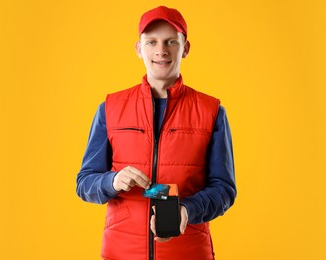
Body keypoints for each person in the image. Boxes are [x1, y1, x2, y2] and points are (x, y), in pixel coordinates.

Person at [76, 6, 236, 260]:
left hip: (188, 252)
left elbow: (224, 189)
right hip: (121, 253)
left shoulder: (212, 111)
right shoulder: (110, 108)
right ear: (139, 49)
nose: (161, 50)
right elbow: (84, 182)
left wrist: (187, 210)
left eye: (171, 41)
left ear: (185, 48)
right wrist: (112, 181)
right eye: (151, 42)